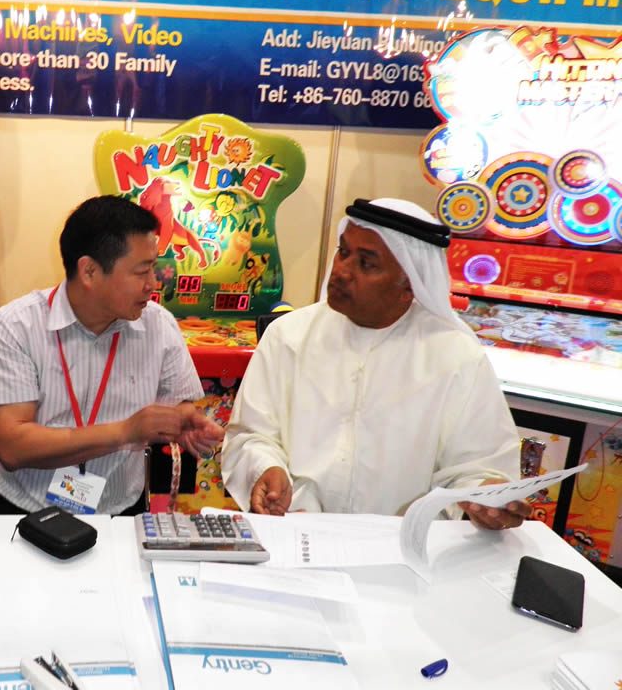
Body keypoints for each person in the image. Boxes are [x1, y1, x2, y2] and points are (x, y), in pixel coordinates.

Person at [221, 197, 527, 530]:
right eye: (343, 252)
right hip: (295, 531)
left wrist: (487, 497)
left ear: (409, 286)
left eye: (367, 264)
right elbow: (250, 435)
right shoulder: (289, 336)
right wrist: (265, 469)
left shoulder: (455, 356)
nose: (341, 271)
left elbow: (479, 468)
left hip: (401, 546)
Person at [0, 195, 223, 515]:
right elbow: (13, 447)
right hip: (26, 510)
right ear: (89, 271)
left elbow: (179, 404)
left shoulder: (159, 325)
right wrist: (124, 431)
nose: (153, 284)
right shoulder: (16, 327)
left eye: (154, 268)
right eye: (142, 271)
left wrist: (183, 420)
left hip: (119, 510)